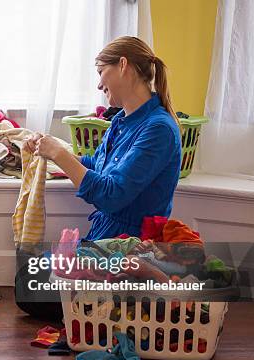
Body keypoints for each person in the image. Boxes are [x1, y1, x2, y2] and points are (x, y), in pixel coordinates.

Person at [25, 36, 181, 240]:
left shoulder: (159, 129)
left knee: (33, 270)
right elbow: (98, 165)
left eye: (101, 72)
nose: (99, 85)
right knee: (33, 269)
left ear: (123, 65)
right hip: (107, 237)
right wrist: (49, 148)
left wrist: (59, 153)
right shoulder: (120, 120)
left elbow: (111, 195)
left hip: (131, 246)